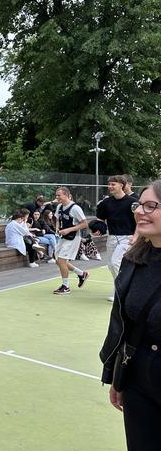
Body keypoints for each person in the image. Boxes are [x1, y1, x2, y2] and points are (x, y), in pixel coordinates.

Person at [100, 180, 161, 450]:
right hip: (138, 378)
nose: (139, 212)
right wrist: (116, 376)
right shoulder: (133, 258)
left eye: (152, 206)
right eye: (139, 205)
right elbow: (123, 323)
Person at [95, 175, 138, 302]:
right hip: (112, 237)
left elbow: (140, 222)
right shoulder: (106, 203)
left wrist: (136, 237)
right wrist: (97, 228)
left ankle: (121, 291)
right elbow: (100, 219)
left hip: (127, 238)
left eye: (113, 184)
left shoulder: (133, 202)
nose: (110, 187)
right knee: (111, 265)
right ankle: (119, 288)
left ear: (122, 185)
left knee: (115, 262)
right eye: (109, 184)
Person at [52, 186, 89, 295]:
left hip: (73, 237)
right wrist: (57, 228)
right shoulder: (59, 207)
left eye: (59, 195)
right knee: (58, 261)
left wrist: (68, 230)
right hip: (63, 237)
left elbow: (84, 224)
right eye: (56, 195)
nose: (57, 197)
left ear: (66, 195)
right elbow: (58, 219)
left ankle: (66, 286)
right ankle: (82, 274)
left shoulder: (75, 208)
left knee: (62, 261)